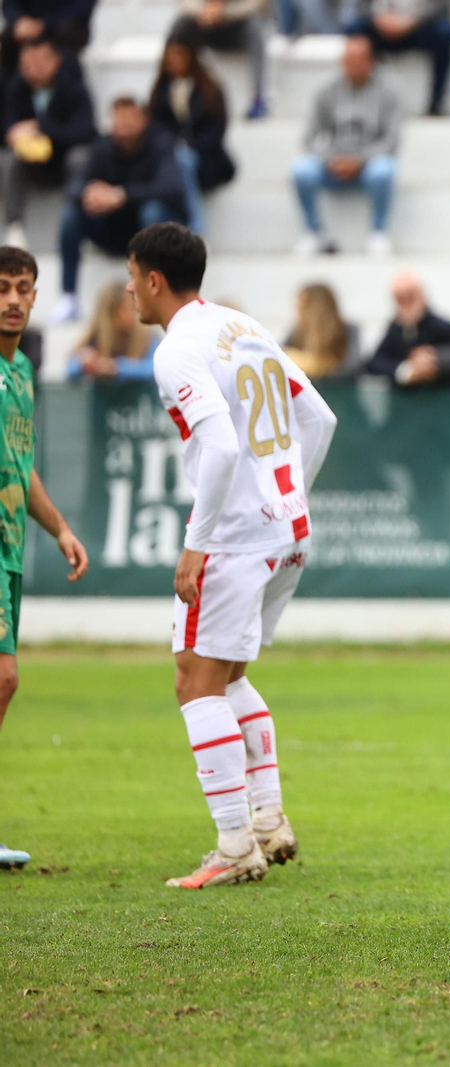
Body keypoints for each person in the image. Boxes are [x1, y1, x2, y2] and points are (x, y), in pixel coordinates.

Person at [134, 223, 337, 890]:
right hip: (288, 529)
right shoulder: (242, 326)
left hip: (236, 537)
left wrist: (197, 544)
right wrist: (288, 494)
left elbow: (220, 446)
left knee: (195, 681)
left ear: (153, 279)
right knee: (226, 676)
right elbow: (321, 419)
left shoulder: (177, 349)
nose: (130, 290)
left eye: (132, 277)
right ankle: (268, 820)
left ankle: (233, 845)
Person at [0, 244, 91, 873]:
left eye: (23, 288)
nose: (13, 300)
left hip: (10, 550)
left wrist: (59, 528)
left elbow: (22, 465)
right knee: (3, 678)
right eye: (2, 287)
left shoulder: (23, 372)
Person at [51, 98, 186, 326]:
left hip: (146, 230)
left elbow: (171, 187)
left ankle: (154, 293)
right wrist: (91, 193)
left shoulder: (161, 145)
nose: (123, 128)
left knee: (152, 212)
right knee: (71, 215)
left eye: (129, 121)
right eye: (119, 121)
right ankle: (69, 297)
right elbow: (74, 185)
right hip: (110, 229)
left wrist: (123, 195)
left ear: (143, 121)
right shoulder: (101, 146)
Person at [292, 35, 400, 257]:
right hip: (332, 164)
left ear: (372, 62)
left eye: (359, 59)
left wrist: (360, 160)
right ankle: (313, 232)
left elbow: (392, 141)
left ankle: (378, 232)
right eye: (348, 59)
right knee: (302, 170)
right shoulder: (326, 91)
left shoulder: (389, 93)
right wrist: (331, 159)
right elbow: (309, 138)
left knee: (385, 170)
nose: (353, 64)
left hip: (369, 166)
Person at [0, 38, 95, 250]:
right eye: (27, 65)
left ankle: (75, 219)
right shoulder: (15, 88)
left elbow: (84, 131)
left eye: (40, 63)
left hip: (63, 159)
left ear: (56, 61)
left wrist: (42, 128)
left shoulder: (73, 89)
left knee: (80, 157)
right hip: (31, 163)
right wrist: (12, 134)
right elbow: (8, 125)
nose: (33, 70)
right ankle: (14, 226)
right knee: (9, 159)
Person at [149, 31, 236, 237]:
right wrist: (173, 147)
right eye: (170, 55)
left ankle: (196, 226)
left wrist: (187, 147)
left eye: (179, 54)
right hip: (170, 158)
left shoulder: (210, 90)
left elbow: (217, 130)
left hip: (206, 160)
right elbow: (156, 128)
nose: (173, 60)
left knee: (183, 159)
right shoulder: (160, 93)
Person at [366, 270, 450, 386]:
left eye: (410, 296)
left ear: (421, 295)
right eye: (401, 298)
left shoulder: (441, 326)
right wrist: (405, 370)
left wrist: (435, 358)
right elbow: (374, 362)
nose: (406, 303)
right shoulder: (395, 330)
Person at [346, 0, 450, 117]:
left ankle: (436, 103)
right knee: (355, 29)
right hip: (381, 24)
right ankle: (356, 97)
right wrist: (378, 17)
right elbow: (362, 5)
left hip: (419, 25)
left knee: (445, 32)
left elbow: (442, 6)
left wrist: (412, 20)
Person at [171, 0, 271, 120]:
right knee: (180, 24)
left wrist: (223, 12)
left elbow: (256, 3)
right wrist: (204, 11)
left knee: (255, 27)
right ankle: (169, 91)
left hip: (237, 27)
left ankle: (258, 99)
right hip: (205, 24)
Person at [68, 280, 157, 381]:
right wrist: (84, 362)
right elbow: (70, 368)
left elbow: (154, 368)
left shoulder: (145, 336)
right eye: (128, 308)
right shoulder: (95, 335)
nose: (133, 314)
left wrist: (116, 367)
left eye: (135, 308)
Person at [283, 282, 361, 379]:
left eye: (302, 306)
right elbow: (280, 356)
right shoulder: (297, 331)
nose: (298, 311)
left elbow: (351, 368)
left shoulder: (347, 331)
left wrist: (316, 367)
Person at [1, 1, 93, 77]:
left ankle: (66, 84)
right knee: (8, 38)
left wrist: (45, 23)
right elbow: (10, 4)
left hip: (63, 25)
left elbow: (82, 8)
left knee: (67, 36)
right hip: (27, 25)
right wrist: (19, 19)